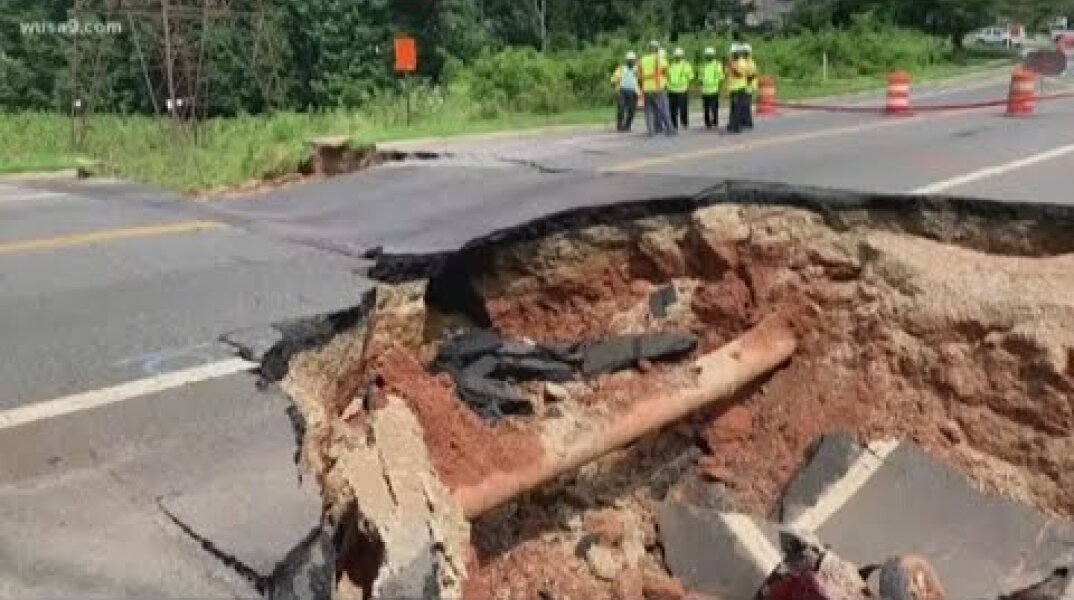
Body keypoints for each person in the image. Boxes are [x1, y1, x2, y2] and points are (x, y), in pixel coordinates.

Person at [637, 40, 675, 137]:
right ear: (657, 49)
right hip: (658, 88)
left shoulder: (642, 59)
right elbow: (667, 73)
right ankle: (670, 129)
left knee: (649, 111)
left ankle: (650, 131)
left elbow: (639, 75)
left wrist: (642, 88)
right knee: (663, 109)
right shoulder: (660, 59)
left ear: (649, 49)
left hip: (646, 89)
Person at [726, 41, 757, 134]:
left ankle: (737, 126)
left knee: (739, 107)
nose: (734, 55)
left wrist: (732, 67)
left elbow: (741, 74)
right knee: (734, 107)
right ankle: (733, 124)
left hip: (740, 88)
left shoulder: (742, 62)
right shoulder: (731, 62)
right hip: (732, 88)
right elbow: (728, 74)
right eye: (733, 53)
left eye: (735, 53)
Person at [667, 47, 695, 130]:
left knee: (683, 108)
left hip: (682, 90)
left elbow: (690, 77)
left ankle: (684, 123)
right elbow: (667, 77)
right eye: (676, 56)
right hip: (671, 90)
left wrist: (687, 86)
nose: (677, 57)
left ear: (682, 56)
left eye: (679, 56)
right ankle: (674, 124)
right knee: (672, 109)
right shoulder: (671, 65)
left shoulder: (686, 65)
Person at [611, 51, 639, 132]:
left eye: (632, 60)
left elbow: (641, 79)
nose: (631, 62)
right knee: (621, 108)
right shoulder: (621, 68)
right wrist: (615, 84)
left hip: (633, 91)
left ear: (635, 60)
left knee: (632, 110)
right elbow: (613, 79)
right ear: (626, 60)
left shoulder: (637, 69)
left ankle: (627, 125)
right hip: (622, 91)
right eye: (629, 60)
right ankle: (619, 126)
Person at [699, 47, 724, 130]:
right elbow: (700, 77)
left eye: (710, 55)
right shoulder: (702, 65)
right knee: (706, 108)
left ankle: (715, 121)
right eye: (707, 55)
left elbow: (720, 77)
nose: (709, 57)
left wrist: (719, 88)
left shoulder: (717, 65)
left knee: (714, 108)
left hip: (714, 90)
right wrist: (701, 85)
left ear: (713, 56)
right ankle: (707, 123)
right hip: (705, 90)